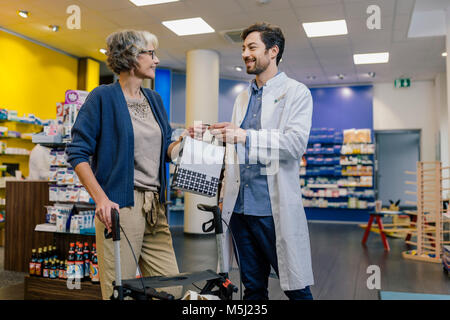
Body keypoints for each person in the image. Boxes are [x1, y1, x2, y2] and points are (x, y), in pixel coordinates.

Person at [66, 30, 197, 299]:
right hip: (121, 208)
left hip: (156, 208)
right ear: (130, 56)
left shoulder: (155, 100)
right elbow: (77, 152)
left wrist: (184, 143)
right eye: (151, 53)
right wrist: (101, 199)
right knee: (120, 291)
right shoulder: (103, 97)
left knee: (169, 287)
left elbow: (166, 151)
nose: (157, 60)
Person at [210, 22, 314, 300]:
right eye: (243, 48)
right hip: (241, 211)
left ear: (273, 51)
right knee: (253, 289)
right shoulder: (242, 98)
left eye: (252, 47)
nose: (245, 53)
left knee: (296, 290)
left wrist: (244, 135)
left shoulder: (296, 92)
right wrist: (216, 136)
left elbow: (294, 144)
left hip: (271, 210)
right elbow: (237, 152)